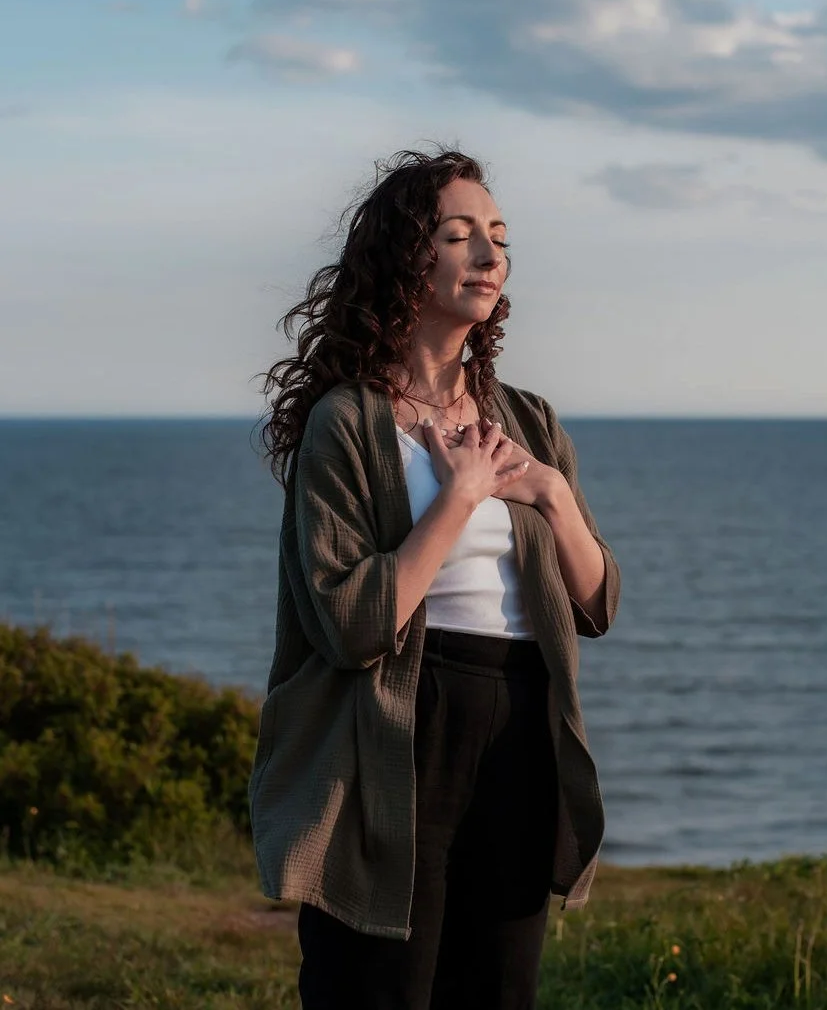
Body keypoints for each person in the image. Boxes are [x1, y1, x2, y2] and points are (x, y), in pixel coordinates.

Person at [249, 148, 621, 1010]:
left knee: (498, 989)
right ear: (406, 258)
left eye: (499, 237)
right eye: (460, 236)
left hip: (523, 719)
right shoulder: (347, 421)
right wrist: (457, 499)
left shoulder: (525, 418)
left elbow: (598, 601)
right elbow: (347, 623)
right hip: (395, 725)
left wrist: (554, 493)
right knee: (378, 988)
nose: (490, 256)